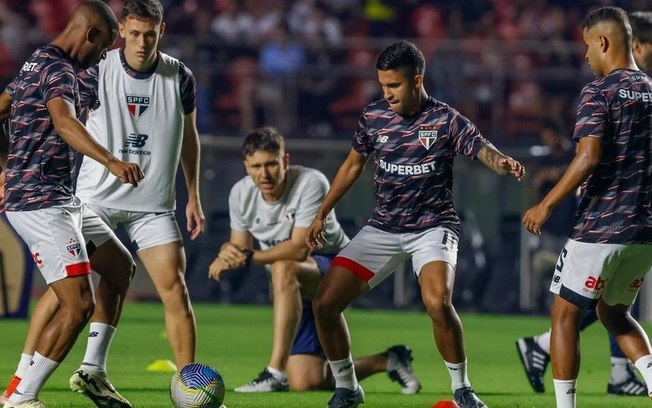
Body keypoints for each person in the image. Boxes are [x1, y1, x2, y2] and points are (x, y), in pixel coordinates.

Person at [1, 0, 206, 407]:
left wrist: (4, 166)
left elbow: (3, 106)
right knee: (78, 304)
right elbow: (64, 122)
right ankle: (21, 396)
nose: (103, 55)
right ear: (92, 35)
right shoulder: (60, 70)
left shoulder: (36, 61)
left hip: (62, 197)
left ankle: (91, 371)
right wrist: (111, 160)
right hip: (41, 202)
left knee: (118, 267)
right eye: (106, 44)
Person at [305, 40, 526, 408]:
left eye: (394, 86)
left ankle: (463, 390)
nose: (386, 93)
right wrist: (322, 212)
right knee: (325, 304)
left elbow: (481, 147)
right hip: (383, 228)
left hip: (432, 227)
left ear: (417, 80)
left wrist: (501, 162)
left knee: (437, 303)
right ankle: (347, 388)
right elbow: (352, 165)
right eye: (382, 86)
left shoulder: (445, 119)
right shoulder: (373, 117)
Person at [208, 126, 421, 395]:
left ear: (285, 161)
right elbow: (239, 247)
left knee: (283, 267)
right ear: (246, 166)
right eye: (256, 166)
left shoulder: (311, 182)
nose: (264, 174)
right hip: (293, 284)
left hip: (336, 267)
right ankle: (389, 360)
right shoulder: (240, 193)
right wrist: (227, 253)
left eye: (272, 164)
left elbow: (298, 250)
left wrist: (248, 258)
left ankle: (273, 373)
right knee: (308, 381)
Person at [516, 9, 652, 397]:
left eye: (587, 45)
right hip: (644, 232)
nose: (585, 55)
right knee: (613, 313)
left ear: (603, 42)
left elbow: (588, 157)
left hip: (600, 227)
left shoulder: (599, 91)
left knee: (564, 315)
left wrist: (546, 204)